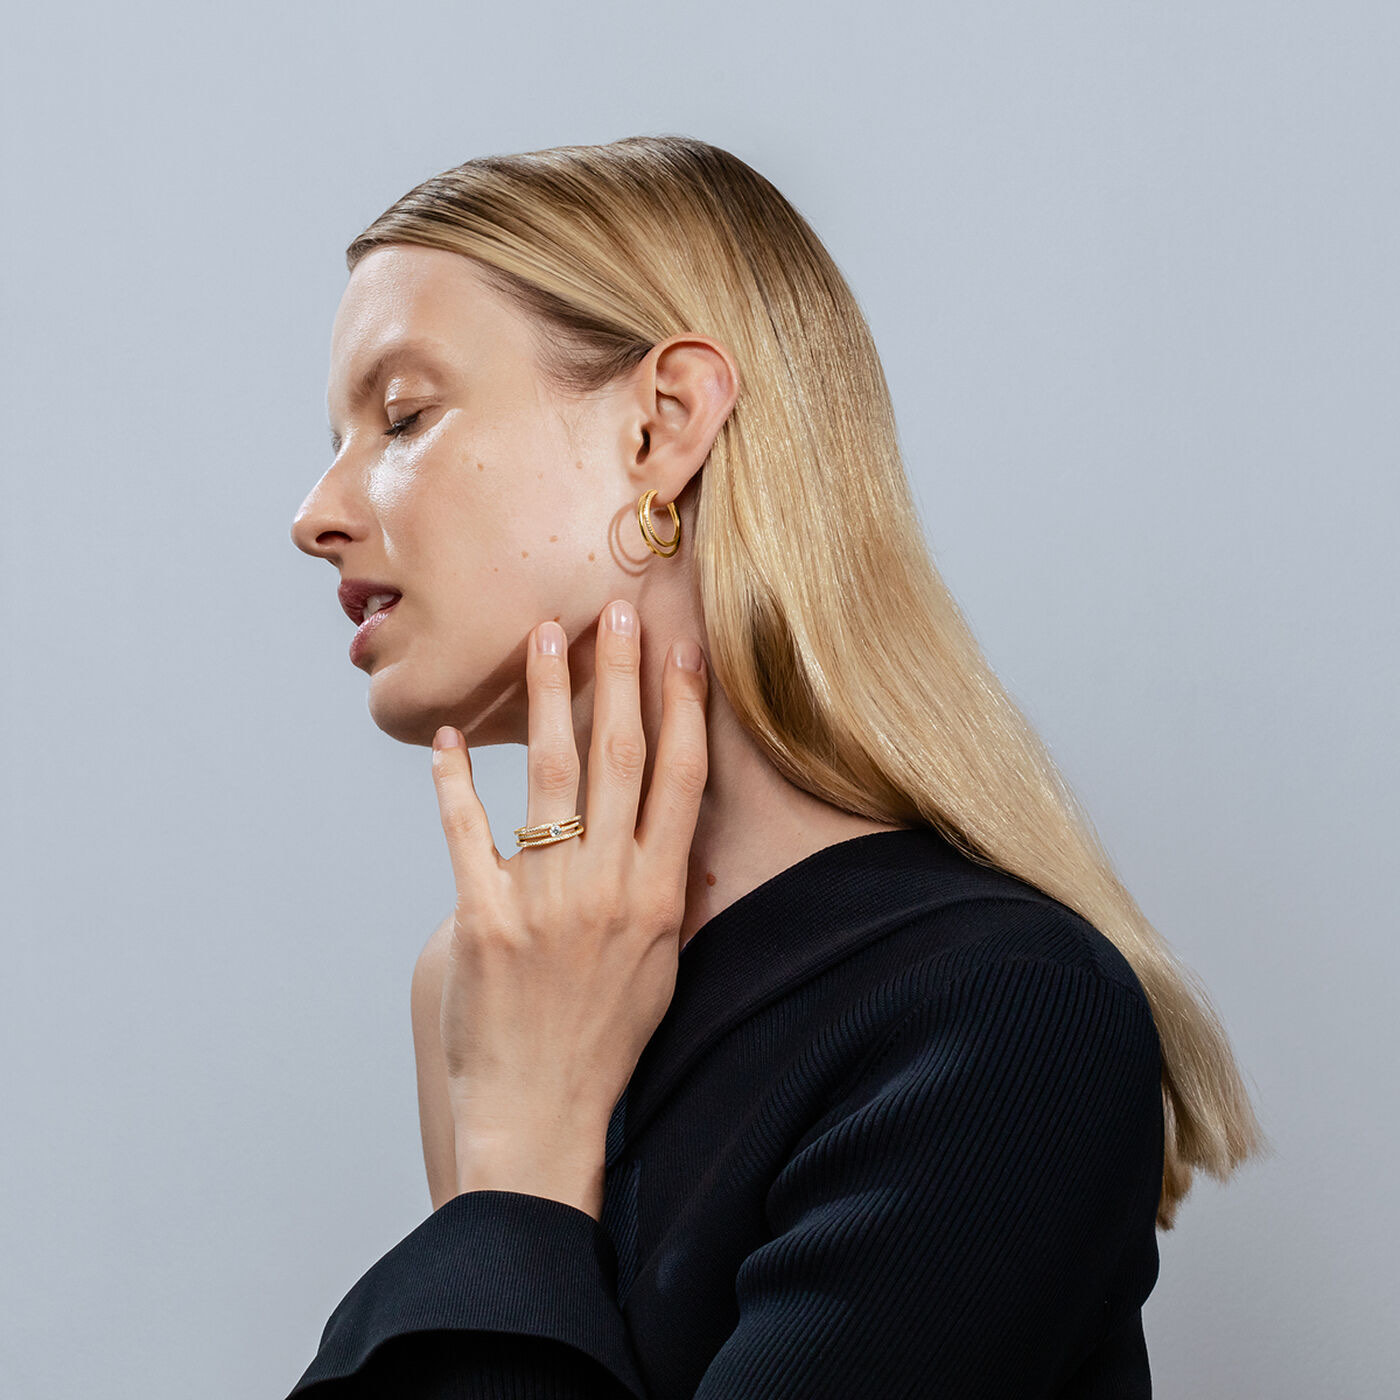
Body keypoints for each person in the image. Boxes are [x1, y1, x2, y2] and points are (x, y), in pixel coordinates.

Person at [286, 134, 1268, 1398]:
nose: (313, 513)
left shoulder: (1007, 1006)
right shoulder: (487, 976)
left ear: (662, 426)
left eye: (404, 416)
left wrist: (524, 1162)